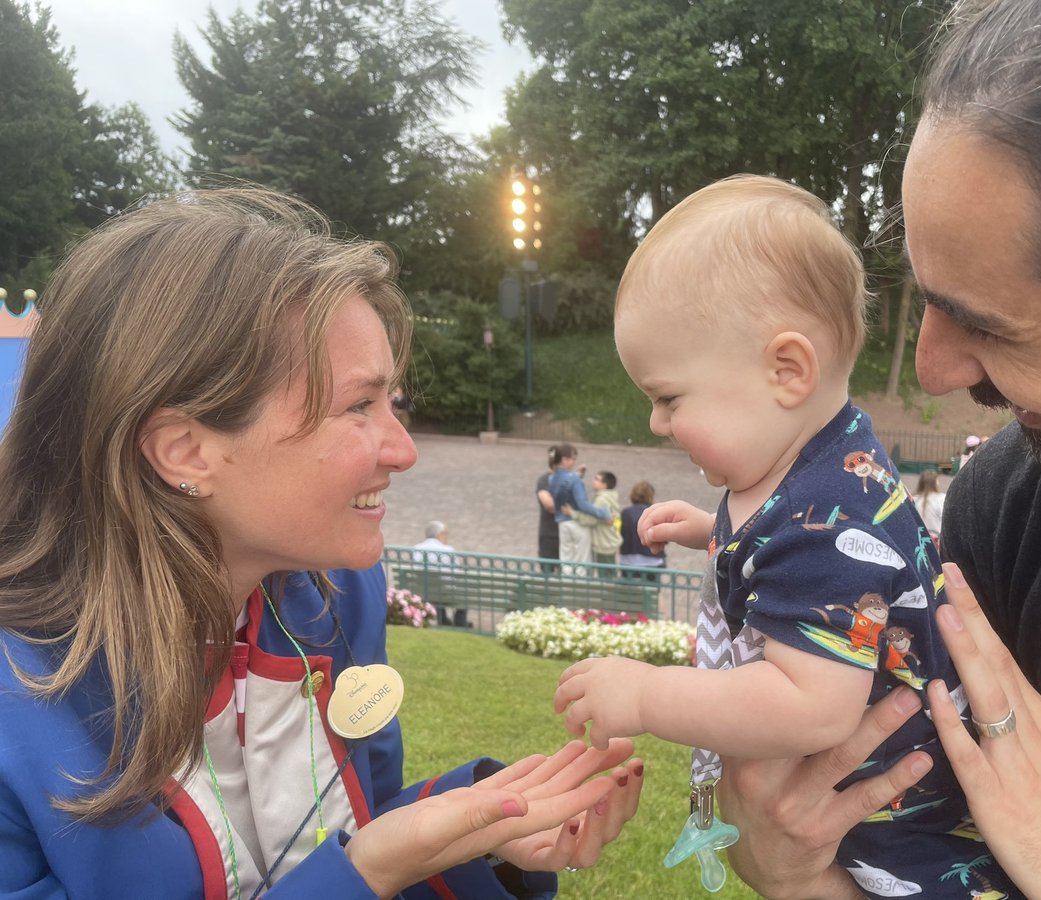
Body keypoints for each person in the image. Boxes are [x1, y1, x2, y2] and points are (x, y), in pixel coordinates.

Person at [0, 186, 644, 898]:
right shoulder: (17, 697)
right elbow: (359, 865)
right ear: (185, 451)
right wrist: (367, 874)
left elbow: (358, 829)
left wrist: (485, 845)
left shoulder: (335, 595)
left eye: (393, 402)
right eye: (359, 406)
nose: (404, 450)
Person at [708, 1, 1041, 896]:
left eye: (990, 326)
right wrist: (799, 873)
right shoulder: (1014, 497)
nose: (931, 371)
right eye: (930, 297)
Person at [555, 175, 1015, 897]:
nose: (656, 423)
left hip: (916, 846)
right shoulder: (829, 464)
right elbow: (804, 547)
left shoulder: (828, 515)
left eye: (669, 397)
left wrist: (646, 695)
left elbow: (811, 705)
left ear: (787, 371)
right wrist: (715, 533)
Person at [547, 443, 612, 573]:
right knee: (581, 562)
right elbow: (583, 505)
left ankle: (566, 583)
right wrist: (603, 513)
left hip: (562, 523)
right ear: (565, 459)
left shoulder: (552, 478)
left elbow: (564, 485)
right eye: (573, 458)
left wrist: (577, 474)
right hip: (578, 523)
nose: (574, 461)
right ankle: (580, 584)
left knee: (566, 560)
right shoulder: (575, 480)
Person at [569, 471, 622, 566]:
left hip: (603, 543)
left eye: (597, 479)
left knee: (605, 572)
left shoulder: (602, 500)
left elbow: (592, 520)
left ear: (605, 485)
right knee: (609, 570)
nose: (593, 481)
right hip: (609, 541)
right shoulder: (610, 496)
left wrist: (572, 513)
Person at [617, 480, 666, 581]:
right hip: (652, 560)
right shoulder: (655, 513)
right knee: (652, 588)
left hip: (628, 560)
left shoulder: (625, 513)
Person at [535, 449, 560, 565]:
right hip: (549, 533)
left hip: (565, 533)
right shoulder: (544, 481)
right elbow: (550, 506)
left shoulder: (570, 479)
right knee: (547, 568)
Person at [911, 470, 945, 546]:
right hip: (937, 541)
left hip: (918, 539)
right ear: (935, 483)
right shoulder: (941, 498)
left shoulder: (913, 499)